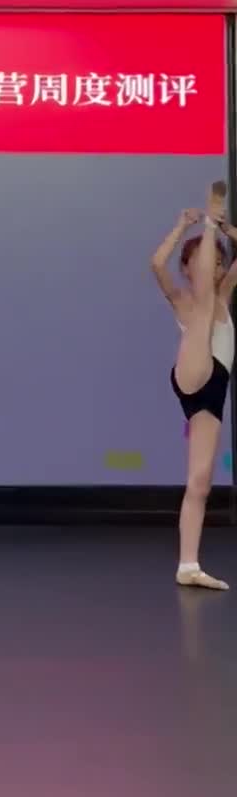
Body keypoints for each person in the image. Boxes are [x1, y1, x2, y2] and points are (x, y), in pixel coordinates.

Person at [151, 179, 237, 591]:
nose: (214, 268)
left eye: (220, 262)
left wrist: (224, 229)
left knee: (200, 482)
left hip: (213, 391)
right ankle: (209, 215)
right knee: (204, 301)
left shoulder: (225, 293)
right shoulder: (185, 299)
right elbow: (157, 264)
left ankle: (188, 565)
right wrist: (184, 226)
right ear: (187, 268)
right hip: (193, 370)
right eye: (205, 261)